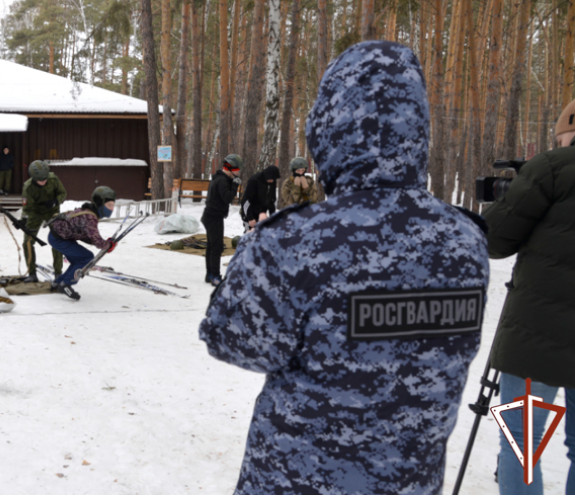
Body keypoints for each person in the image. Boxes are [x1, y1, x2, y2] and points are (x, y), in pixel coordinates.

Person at [199, 41, 490, 494]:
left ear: (329, 127)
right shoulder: (465, 239)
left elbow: (227, 337)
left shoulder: (296, 241)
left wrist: (253, 254)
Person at [484, 98, 575, 495]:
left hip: (534, 340)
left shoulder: (553, 168)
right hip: (539, 339)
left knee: (521, 445)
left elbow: (494, 239)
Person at [47, 186, 116, 301]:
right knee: (86, 258)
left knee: (78, 261)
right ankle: (66, 284)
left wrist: (104, 243)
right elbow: (97, 241)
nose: (111, 209)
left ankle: (58, 283)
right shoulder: (90, 218)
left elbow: (87, 235)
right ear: (99, 203)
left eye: (113, 205)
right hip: (59, 239)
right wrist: (108, 245)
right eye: (109, 205)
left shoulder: (88, 212)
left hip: (60, 237)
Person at [21, 160, 67, 283]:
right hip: (35, 212)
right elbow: (27, 208)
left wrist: (56, 201)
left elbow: (63, 193)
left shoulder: (53, 179)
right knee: (27, 242)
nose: (43, 181)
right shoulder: (28, 187)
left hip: (52, 210)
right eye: (40, 180)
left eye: (45, 179)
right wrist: (23, 220)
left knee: (58, 239)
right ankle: (32, 273)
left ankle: (58, 273)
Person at [201, 154, 242, 286]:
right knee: (216, 247)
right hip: (213, 217)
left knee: (212, 246)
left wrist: (233, 182)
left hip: (211, 216)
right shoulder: (222, 181)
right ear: (229, 168)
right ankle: (215, 276)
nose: (238, 173)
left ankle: (209, 274)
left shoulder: (220, 178)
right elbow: (227, 198)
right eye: (236, 170)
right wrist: (235, 187)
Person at [239, 164, 279, 231]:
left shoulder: (272, 182)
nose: (272, 181)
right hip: (249, 212)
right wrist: (250, 218)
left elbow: (272, 201)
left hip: (261, 213)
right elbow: (246, 201)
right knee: (250, 234)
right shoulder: (254, 180)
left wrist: (273, 217)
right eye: (272, 179)